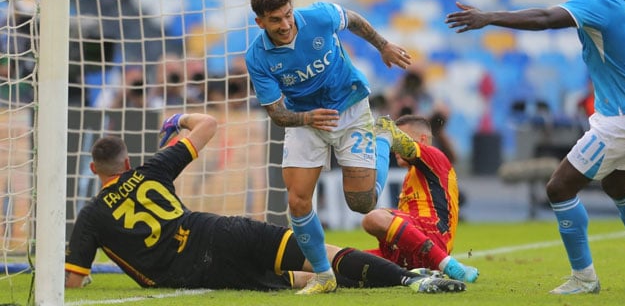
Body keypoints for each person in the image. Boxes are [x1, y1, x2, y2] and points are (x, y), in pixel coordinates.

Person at [445, 0, 625, 294]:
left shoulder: (599, 0)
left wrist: (489, 16)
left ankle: (584, 278)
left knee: (559, 187)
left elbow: (545, 18)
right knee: (618, 184)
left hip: (622, 117)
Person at [64, 112, 465, 294]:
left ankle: (411, 276)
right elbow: (207, 124)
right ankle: (412, 280)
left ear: (94, 169)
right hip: (220, 231)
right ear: (127, 162)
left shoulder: (91, 216)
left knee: (300, 281)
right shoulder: (151, 170)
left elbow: (73, 280)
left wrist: (84, 272)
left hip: (196, 273)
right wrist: (178, 121)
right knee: (321, 259)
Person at [245, 0, 411, 294]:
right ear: (260, 22)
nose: (285, 25)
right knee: (297, 200)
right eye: (275, 20)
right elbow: (277, 113)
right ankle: (323, 275)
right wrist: (307, 118)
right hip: (305, 119)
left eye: (287, 15)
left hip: (349, 108)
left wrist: (384, 45)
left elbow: (355, 20)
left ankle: (383, 139)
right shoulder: (257, 57)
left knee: (362, 204)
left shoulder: (319, 16)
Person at [363, 115, 479, 284]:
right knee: (347, 259)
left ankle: (448, 265)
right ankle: (423, 273)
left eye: (399, 137)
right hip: (409, 248)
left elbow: (408, 148)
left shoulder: (435, 157)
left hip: (433, 236)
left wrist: (385, 133)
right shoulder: (411, 176)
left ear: (422, 139)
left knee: (373, 218)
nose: (395, 146)